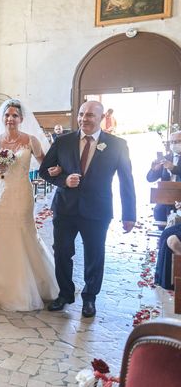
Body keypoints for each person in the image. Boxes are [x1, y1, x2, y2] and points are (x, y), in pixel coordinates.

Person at [40, 100, 136, 317]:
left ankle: (90, 298)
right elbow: (44, 170)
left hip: (97, 210)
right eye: (82, 114)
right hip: (65, 208)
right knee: (62, 252)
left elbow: (126, 180)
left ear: (101, 118)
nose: (85, 119)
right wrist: (64, 180)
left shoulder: (117, 144)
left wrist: (129, 214)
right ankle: (65, 293)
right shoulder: (63, 141)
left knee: (95, 254)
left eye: (91, 115)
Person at [0, 99, 60, 311]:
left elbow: (45, 166)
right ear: (2, 118)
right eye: (7, 115)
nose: (10, 119)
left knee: (22, 232)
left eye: (14, 115)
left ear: (21, 119)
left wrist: (58, 172)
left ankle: (30, 283)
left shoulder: (31, 140)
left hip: (21, 192)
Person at [146, 131, 181, 224]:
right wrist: (154, 170)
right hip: (166, 196)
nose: (175, 144)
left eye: (178, 141)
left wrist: (173, 168)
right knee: (159, 210)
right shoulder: (166, 158)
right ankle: (162, 235)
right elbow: (150, 179)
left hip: (180, 196)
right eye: (172, 142)